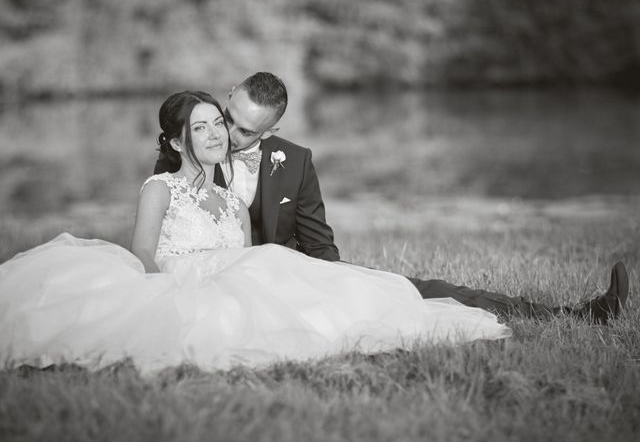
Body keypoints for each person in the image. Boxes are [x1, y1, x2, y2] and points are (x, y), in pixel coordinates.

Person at [0, 91, 511, 374]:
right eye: (199, 128)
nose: (214, 133)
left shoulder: (232, 203)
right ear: (177, 142)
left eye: (215, 124)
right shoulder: (158, 188)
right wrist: (172, 294)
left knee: (315, 291)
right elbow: (141, 255)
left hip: (233, 274)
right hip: (171, 280)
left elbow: (244, 258)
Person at [155, 73, 629, 324]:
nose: (230, 135)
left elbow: (319, 243)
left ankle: (575, 314)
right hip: (231, 291)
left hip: (296, 276)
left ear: (272, 130)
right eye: (228, 117)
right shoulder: (187, 146)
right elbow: (169, 236)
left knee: (412, 289)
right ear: (230, 92)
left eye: (246, 129)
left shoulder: (295, 161)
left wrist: (341, 282)